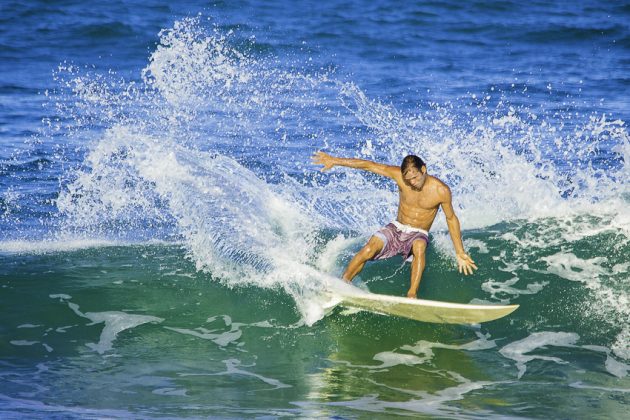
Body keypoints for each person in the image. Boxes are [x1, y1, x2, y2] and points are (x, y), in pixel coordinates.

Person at [312, 151, 477, 298]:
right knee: (369, 248)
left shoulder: (441, 190)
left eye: (415, 177)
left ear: (424, 169)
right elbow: (369, 165)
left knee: (419, 247)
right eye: (408, 179)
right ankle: (343, 283)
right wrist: (334, 160)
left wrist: (460, 252)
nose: (412, 182)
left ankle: (412, 294)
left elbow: (451, 219)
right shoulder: (399, 176)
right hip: (397, 227)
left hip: (418, 233)